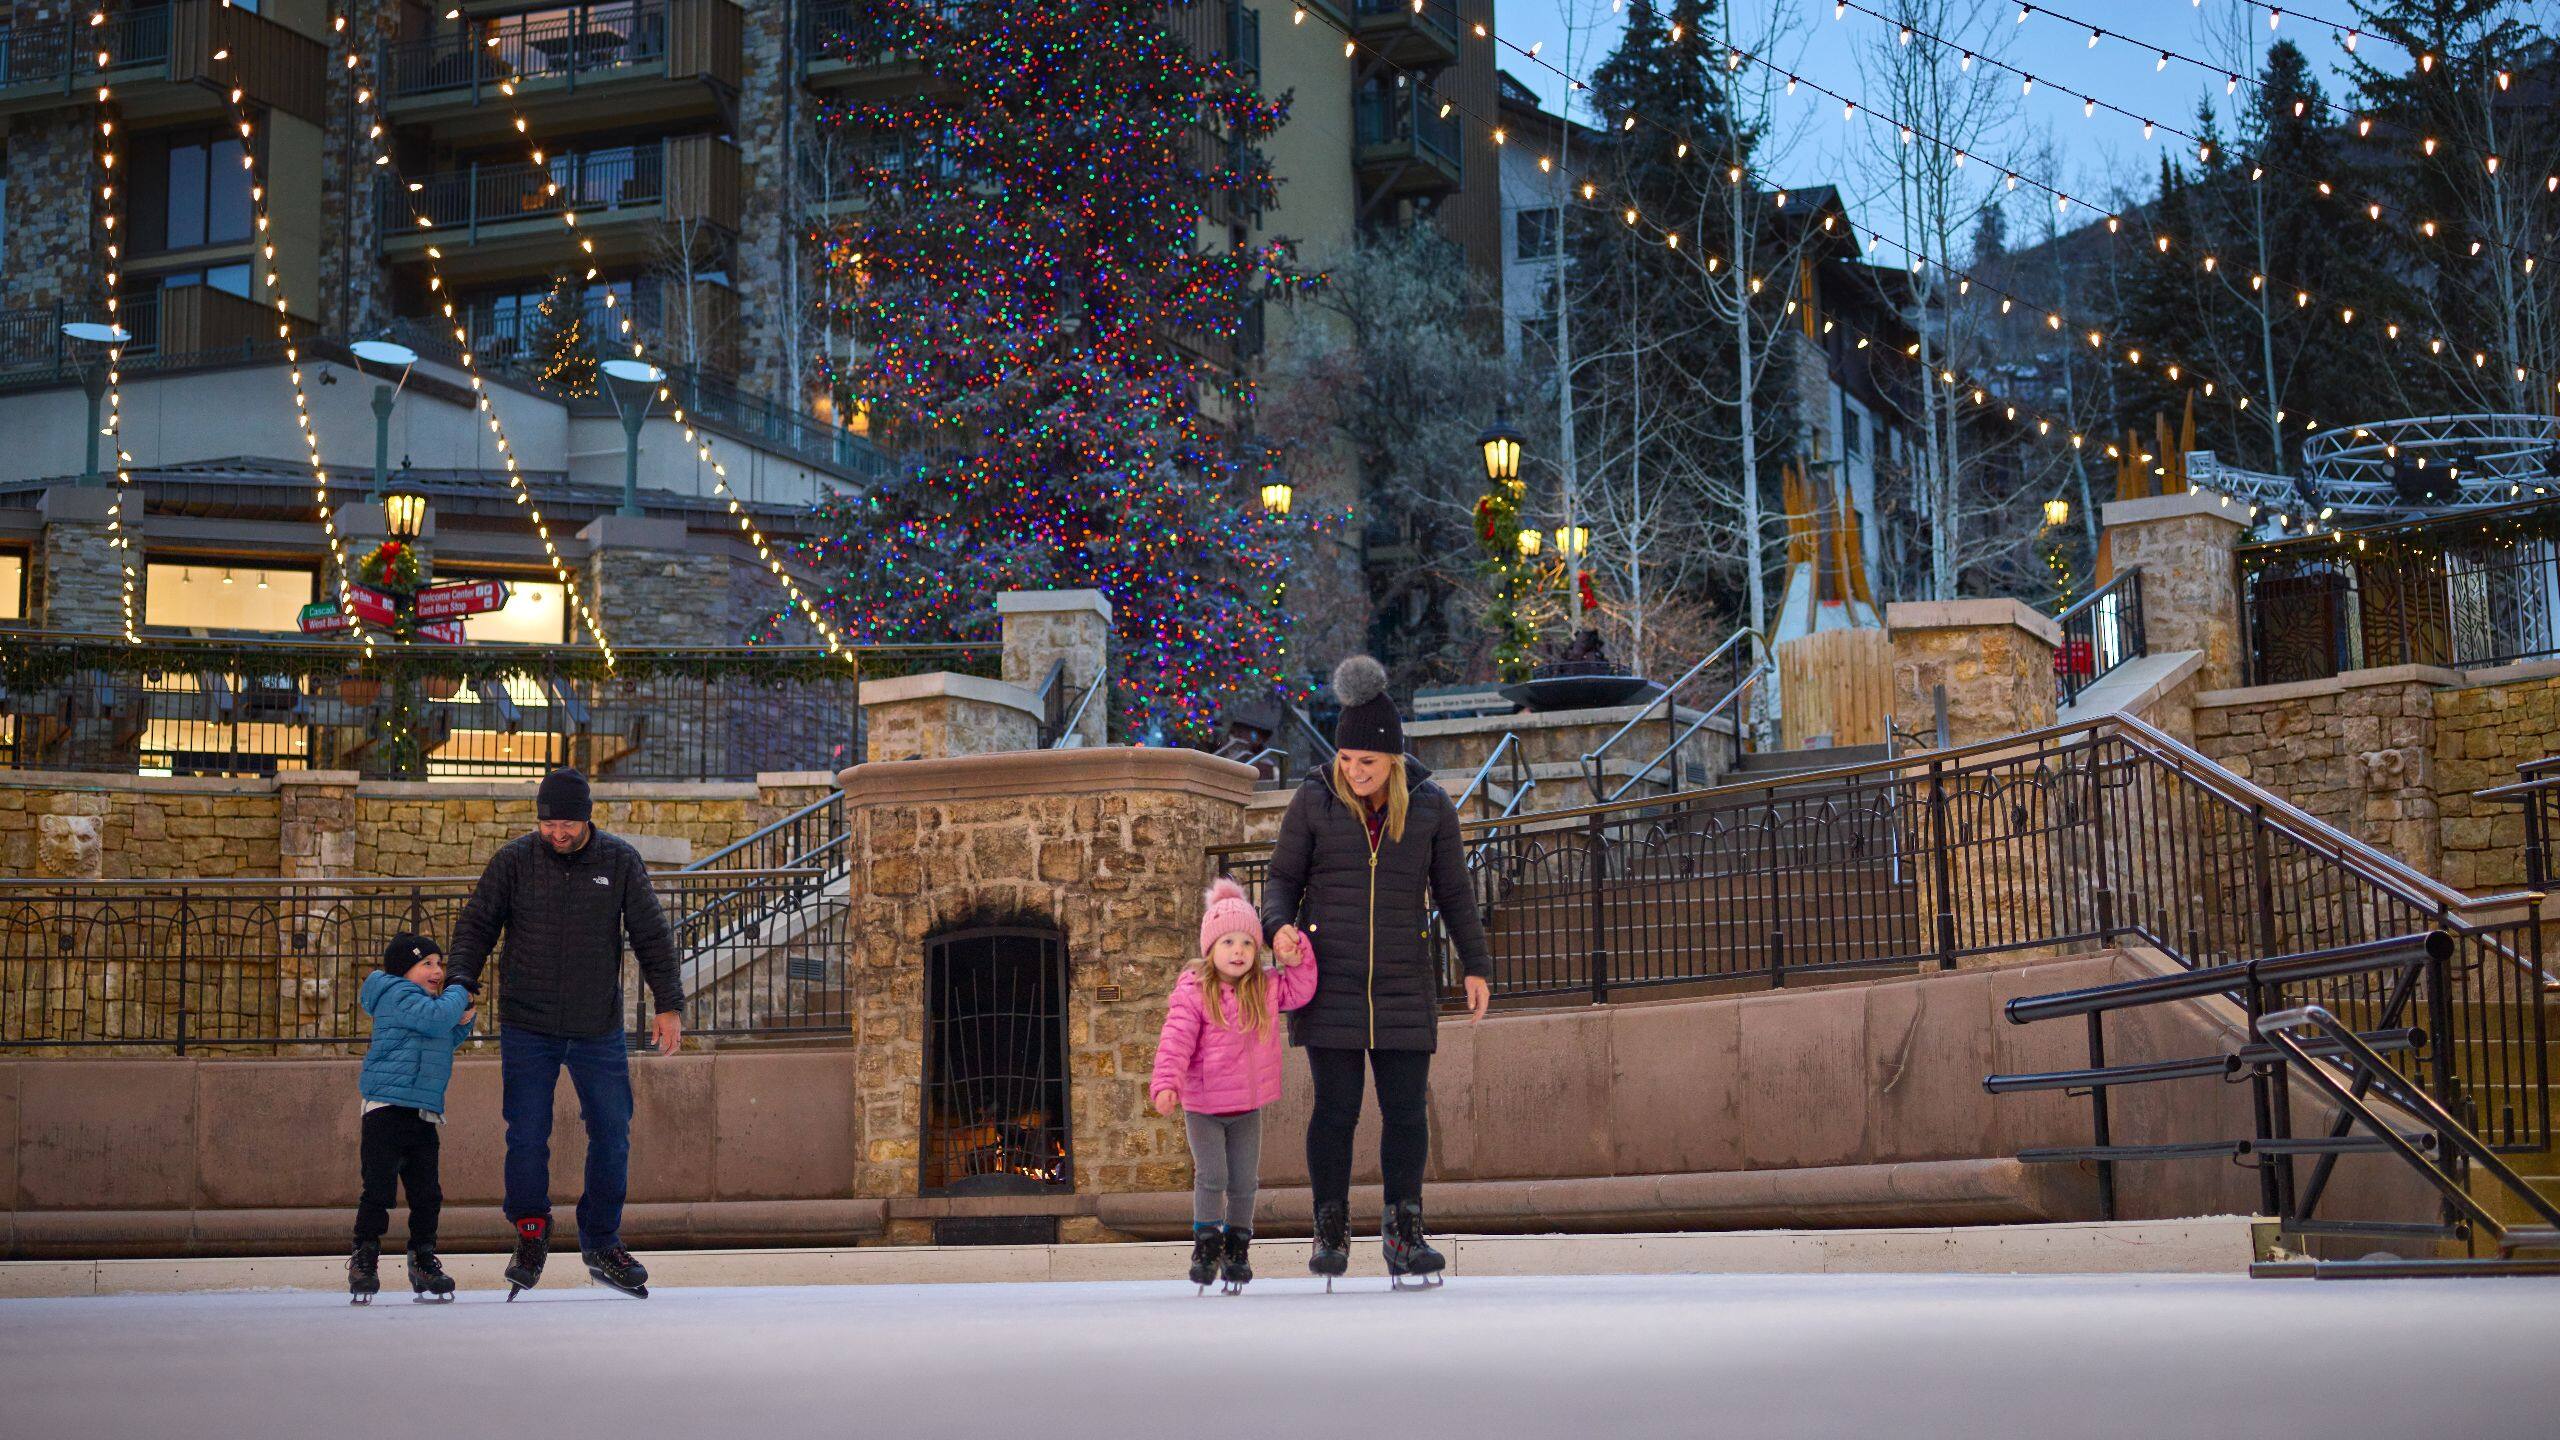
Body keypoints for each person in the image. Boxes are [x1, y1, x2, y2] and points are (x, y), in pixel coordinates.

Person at [1260, 656, 1493, 1290]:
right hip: (1328, 981)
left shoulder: (1429, 808)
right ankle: (1330, 1227)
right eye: (1347, 760)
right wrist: (1275, 926)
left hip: (1400, 982)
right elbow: (1281, 879)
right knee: (1335, 1112)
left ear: (1391, 759)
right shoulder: (1314, 799)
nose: (1355, 772)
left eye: (1368, 762)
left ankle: (1404, 1231)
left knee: (1406, 1112)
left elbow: (1455, 894)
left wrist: (1476, 965)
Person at [446, 767, 683, 1301]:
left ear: (587, 817)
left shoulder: (618, 861)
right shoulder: (514, 861)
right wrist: (463, 982)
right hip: (528, 1023)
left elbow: (652, 936)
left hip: (596, 1026)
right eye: (548, 823)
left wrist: (667, 1005)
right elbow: (477, 925)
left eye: (567, 823)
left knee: (612, 1130)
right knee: (526, 1133)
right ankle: (530, 1231)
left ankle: (601, 1241)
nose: (557, 833)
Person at [1150, 877, 1319, 1294]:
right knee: (1212, 1176)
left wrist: (1298, 955)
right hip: (1204, 1107)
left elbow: (1301, 990)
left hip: (1247, 1107)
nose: (1238, 951)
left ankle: (1238, 1248)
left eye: (1246, 943)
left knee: (1244, 1181)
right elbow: (1176, 1039)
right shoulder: (1194, 990)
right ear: (1210, 949)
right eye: (1228, 943)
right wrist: (1166, 1083)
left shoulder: (1264, 986)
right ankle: (1207, 1246)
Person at [350, 933, 474, 1305]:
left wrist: (464, 1019)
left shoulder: (423, 1007)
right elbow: (436, 1020)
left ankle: (422, 1258)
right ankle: (365, 1258)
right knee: (379, 1190)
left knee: (427, 1194)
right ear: (404, 970)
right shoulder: (396, 996)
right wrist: (458, 991)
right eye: (427, 964)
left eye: (440, 964)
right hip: (386, 1109)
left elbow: (442, 1038)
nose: (437, 971)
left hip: (422, 1111)